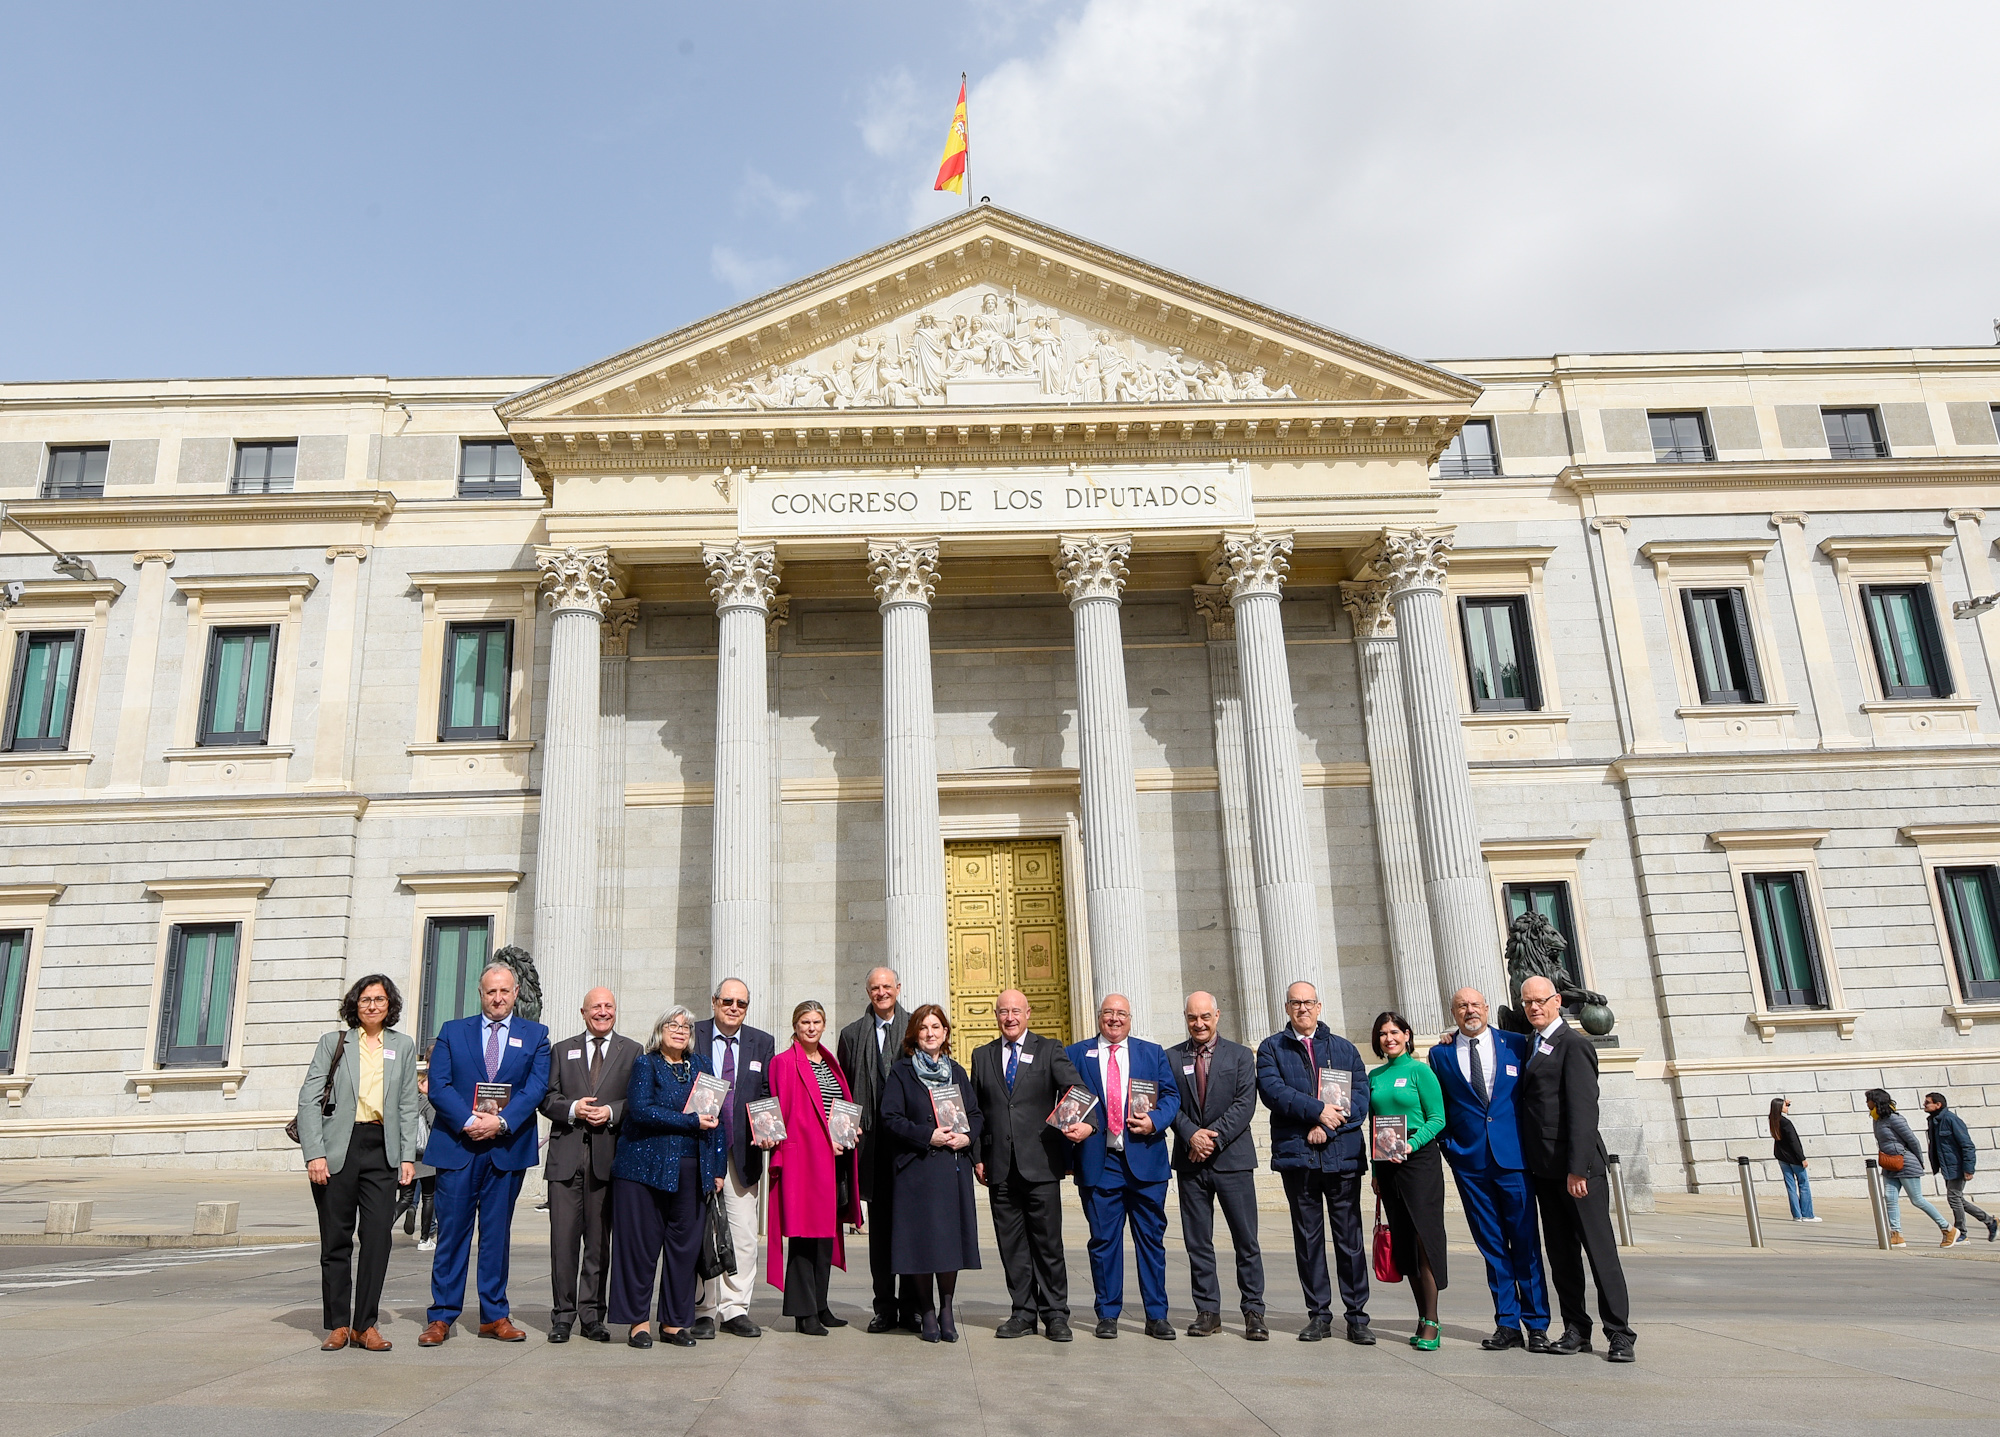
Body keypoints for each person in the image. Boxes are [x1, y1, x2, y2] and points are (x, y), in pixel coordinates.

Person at [417, 962, 551, 1346]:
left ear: (515, 993)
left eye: (505, 991)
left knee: (496, 1236)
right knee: (452, 1235)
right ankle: (441, 1316)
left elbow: (536, 1086)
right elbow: (438, 1085)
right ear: (481, 993)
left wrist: (501, 1122)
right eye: (491, 992)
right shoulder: (451, 1032)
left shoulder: (536, 1035)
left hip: (505, 1149)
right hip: (459, 1146)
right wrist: (468, 1121)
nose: (498, 998)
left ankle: (495, 1315)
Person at [296, 974, 421, 1352]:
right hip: (339, 1148)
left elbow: (407, 1105)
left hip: (380, 1148)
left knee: (378, 1238)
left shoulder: (402, 1046)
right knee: (335, 1240)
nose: (372, 1005)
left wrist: (407, 1156)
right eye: (365, 999)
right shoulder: (333, 1043)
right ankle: (337, 1324)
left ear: (390, 1005)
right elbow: (308, 1100)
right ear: (355, 1004)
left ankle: (365, 1324)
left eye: (379, 999)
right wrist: (314, 1153)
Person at [1515, 975, 1634, 1362]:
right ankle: (1576, 1329)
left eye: (1540, 1001)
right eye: (1527, 1002)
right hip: (1545, 1172)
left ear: (1557, 1001)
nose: (1534, 1007)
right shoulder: (1531, 1044)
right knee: (1562, 1257)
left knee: (1600, 1254)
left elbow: (1584, 1112)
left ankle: (1619, 1333)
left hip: (1577, 1172)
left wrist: (1579, 1169)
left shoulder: (1574, 1045)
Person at [969, 988, 1092, 1342]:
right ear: (996, 1016)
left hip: (1040, 1163)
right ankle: (1022, 1311)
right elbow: (976, 1111)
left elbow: (1076, 1090)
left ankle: (1055, 1314)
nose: (1010, 1017)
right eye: (1003, 1012)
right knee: (1012, 1246)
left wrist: (1083, 1125)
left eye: (1016, 1011)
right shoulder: (983, 1055)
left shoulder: (1049, 1049)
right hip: (999, 1167)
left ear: (1028, 1014)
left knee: (1047, 1244)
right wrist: (977, 1156)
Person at [1429, 987, 1548, 1351]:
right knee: (1492, 1245)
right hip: (1472, 1164)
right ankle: (1507, 1323)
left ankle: (1538, 1324)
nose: (1469, 1011)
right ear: (1453, 1013)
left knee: (1526, 1244)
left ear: (1486, 1008)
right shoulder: (1441, 1054)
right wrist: (1451, 1149)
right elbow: (1442, 1106)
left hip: (1514, 1161)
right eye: (1461, 1006)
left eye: (1475, 1005)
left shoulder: (1517, 1043)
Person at [1256, 981, 1373, 1345]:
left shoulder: (1343, 1048)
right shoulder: (1272, 1048)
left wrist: (1328, 1127)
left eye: (1308, 1002)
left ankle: (1357, 1316)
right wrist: (1318, 1111)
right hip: (1298, 1158)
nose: (1302, 1009)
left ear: (1319, 1007)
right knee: (1308, 1239)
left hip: (1342, 1157)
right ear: (1286, 1007)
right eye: (1295, 1003)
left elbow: (1359, 1098)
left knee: (1349, 1239)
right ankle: (1319, 1314)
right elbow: (1274, 1093)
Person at [608, 1007, 727, 1348]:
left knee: (684, 1249)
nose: (680, 1030)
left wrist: (717, 1170)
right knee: (640, 1249)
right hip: (643, 1170)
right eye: (673, 1025)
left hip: (693, 1171)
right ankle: (638, 1323)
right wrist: (690, 1122)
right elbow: (641, 1110)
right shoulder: (647, 1064)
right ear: (660, 1031)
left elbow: (716, 1116)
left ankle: (675, 1323)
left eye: (686, 1026)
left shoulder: (703, 1066)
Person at [1065, 992, 1181, 1340]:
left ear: (1130, 1018)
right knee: (1104, 1242)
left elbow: (1172, 1096)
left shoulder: (1151, 1052)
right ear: (1099, 1016)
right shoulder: (1076, 1054)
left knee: (1151, 1241)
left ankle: (1157, 1315)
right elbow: (1065, 1099)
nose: (1114, 1019)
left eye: (1121, 1014)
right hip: (1100, 1163)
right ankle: (1108, 1313)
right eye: (1108, 1013)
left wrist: (1155, 1121)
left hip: (1145, 1161)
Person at [878, 1004, 985, 1342]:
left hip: (951, 1170)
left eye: (936, 1027)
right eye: (923, 1028)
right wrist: (928, 1135)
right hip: (916, 1170)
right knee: (922, 1245)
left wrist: (966, 1136)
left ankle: (946, 1310)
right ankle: (926, 1311)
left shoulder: (957, 1072)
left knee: (948, 1245)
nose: (929, 1033)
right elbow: (890, 1116)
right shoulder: (901, 1072)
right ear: (915, 1034)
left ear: (945, 1033)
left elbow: (976, 1114)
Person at [540, 986, 641, 1343]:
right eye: (595, 1006)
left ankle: (592, 1316)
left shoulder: (632, 1051)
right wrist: (572, 1109)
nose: (602, 1011)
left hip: (607, 1159)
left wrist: (612, 1111)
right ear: (582, 1012)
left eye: (609, 1006)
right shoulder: (561, 1049)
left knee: (599, 1244)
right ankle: (562, 1316)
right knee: (563, 1242)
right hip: (565, 1157)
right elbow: (546, 1098)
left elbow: (637, 1101)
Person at [1166, 991, 1266, 1340]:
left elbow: (1244, 1103)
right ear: (1185, 1017)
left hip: (1233, 1160)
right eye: (1193, 1018)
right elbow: (1170, 1103)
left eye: (1205, 1017)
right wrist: (1191, 1134)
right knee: (1198, 1242)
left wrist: (1211, 1138)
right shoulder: (1172, 1057)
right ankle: (1207, 1311)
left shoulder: (1239, 1056)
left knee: (1246, 1239)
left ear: (1218, 1015)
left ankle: (1254, 1310)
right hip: (1191, 1163)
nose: (1199, 1024)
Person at [766, 999, 862, 1334]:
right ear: (795, 1025)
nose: (811, 1027)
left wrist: (849, 1130)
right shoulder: (783, 1063)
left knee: (827, 1234)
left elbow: (837, 1106)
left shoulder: (830, 1061)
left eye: (817, 1022)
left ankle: (821, 1305)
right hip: (803, 1161)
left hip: (834, 1162)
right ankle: (803, 1313)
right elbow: (780, 1111)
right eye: (805, 1022)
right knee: (804, 1236)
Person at [835, 966, 920, 1333]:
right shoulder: (852, 1035)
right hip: (872, 1145)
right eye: (875, 987)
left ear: (898, 988)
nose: (881, 992)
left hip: (911, 1145)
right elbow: (843, 1090)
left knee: (914, 1229)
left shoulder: (918, 1027)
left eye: (887, 986)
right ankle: (885, 1306)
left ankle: (915, 1307)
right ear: (867, 991)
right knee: (882, 1230)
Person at [692, 976, 774, 1339]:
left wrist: (770, 1128)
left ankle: (735, 1308)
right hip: (698, 1147)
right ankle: (702, 1309)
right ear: (714, 1002)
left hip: (742, 1153)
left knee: (742, 1235)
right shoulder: (692, 1033)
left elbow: (767, 1094)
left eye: (741, 1003)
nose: (734, 1008)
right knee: (698, 1232)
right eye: (728, 1001)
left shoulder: (762, 1042)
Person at [1368, 1011, 1449, 1351]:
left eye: (1395, 1032)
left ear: (1407, 1035)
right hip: (1387, 1162)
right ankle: (1421, 1316)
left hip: (1418, 1161)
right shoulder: (1376, 1075)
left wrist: (1411, 1144)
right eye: (1383, 1034)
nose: (1389, 1038)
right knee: (1403, 1241)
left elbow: (1438, 1118)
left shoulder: (1420, 1071)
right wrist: (1375, 1171)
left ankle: (1432, 1319)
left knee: (1422, 1238)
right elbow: (1373, 1122)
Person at [1867, 1088, 1950, 1248]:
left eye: (1868, 1099)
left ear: (1876, 1101)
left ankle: (1947, 1228)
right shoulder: (1877, 1119)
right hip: (1890, 1163)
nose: (1866, 1103)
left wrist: (1919, 1160)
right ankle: (1896, 1235)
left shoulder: (1895, 1119)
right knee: (1890, 1198)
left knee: (1917, 1199)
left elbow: (1913, 1140)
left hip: (1905, 1162)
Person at [1924, 1091, 1997, 1243]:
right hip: (1947, 1167)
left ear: (1938, 1105)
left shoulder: (1951, 1120)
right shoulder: (1934, 1121)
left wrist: (1969, 1168)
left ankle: (1961, 1232)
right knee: (1957, 1199)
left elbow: (1967, 1145)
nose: (1924, 1105)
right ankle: (1990, 1221)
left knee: (1954, 1198)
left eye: (1927, 1102)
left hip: (1957, 1167)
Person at [396, 1041, 439, 1250]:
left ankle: (384, 1224)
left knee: (405, 1197)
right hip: (425, 1156)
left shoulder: (402, 1101)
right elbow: (433, 1125)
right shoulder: (425, 1102)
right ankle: (425, 1238)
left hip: (405, 1153)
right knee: (429, 1196)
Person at [1768, 1098, 1818, 1224]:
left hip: (1781, 1157)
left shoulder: (1773, 1120)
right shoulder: (1786, 1123)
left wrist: (1784, 1102)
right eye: (1786, 1106)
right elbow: (1794, 1142)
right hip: (1793, 1158)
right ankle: (1807, 1214)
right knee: (1803, 1184)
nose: (1788, 1108)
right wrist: (1802, 1158)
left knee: (1790, 1186)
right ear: (1780, 1107)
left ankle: (1797, 1215)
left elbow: (1775, 1110)